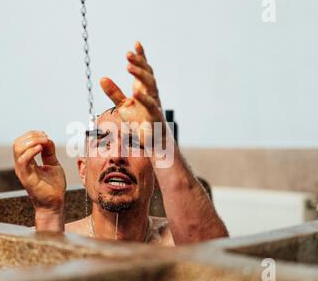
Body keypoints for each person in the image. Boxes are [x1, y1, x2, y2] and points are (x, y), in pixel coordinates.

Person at [13, 42, 228, 246]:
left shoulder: (176, 243)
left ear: (155, 173)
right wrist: (48, 211)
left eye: (134, 143)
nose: (117, 155)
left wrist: (161, 143)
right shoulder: (60, 239)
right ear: (82, 169)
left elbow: (217, 269)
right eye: (103, 143)